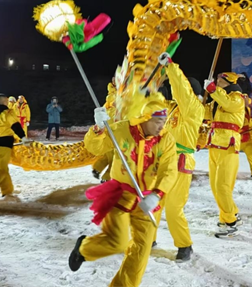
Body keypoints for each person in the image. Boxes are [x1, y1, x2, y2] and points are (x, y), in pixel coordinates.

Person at [68, 93, 178, 287]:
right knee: (117, 242)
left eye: (164, 120)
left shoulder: (165, 139)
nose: (162, 126)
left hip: (147, 200)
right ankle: (84, 249)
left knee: (141, 251)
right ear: (145, 118)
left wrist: (157, 194)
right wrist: (98, 129)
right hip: (120, 194)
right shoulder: (121, 130)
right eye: (158, 121)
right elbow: (95, 147)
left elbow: (169, 170)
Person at [152, 57, 204, 262]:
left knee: (173, 208)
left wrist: (171, 68)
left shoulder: (194, 109)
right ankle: (149, 237)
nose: (174, 91)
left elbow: (182, 91)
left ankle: (184, 245)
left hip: (181, 162)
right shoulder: (171, 108)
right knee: (153, 202)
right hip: (162, 161)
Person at [204, 72, 245, 235]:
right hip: (215, 143)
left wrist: (214, 90)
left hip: (228, 145)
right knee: (215, 186)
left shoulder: (237, 97)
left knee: (223, 186)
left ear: (228, 83)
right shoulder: (217, 99)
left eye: (220, 81)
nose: (217, 82)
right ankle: (229, 214)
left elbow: (228, 104)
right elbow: (205, 114)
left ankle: (230, 222)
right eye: (217, 81)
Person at [0, 94, 30, 205]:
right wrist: (23, 137)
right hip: (4, 145)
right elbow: (15, 125)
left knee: (2, 169)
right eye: (7, 102)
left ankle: (7, 191)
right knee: (1, 170)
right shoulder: (7, 113)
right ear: (4, 102)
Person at [92, 80, 116, 182]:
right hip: (114, 132)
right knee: (115, 159)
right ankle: (106, 178)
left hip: (107, 132)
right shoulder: (118, 99)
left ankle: (97, 168)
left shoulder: (108, 100)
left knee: (108, 155)